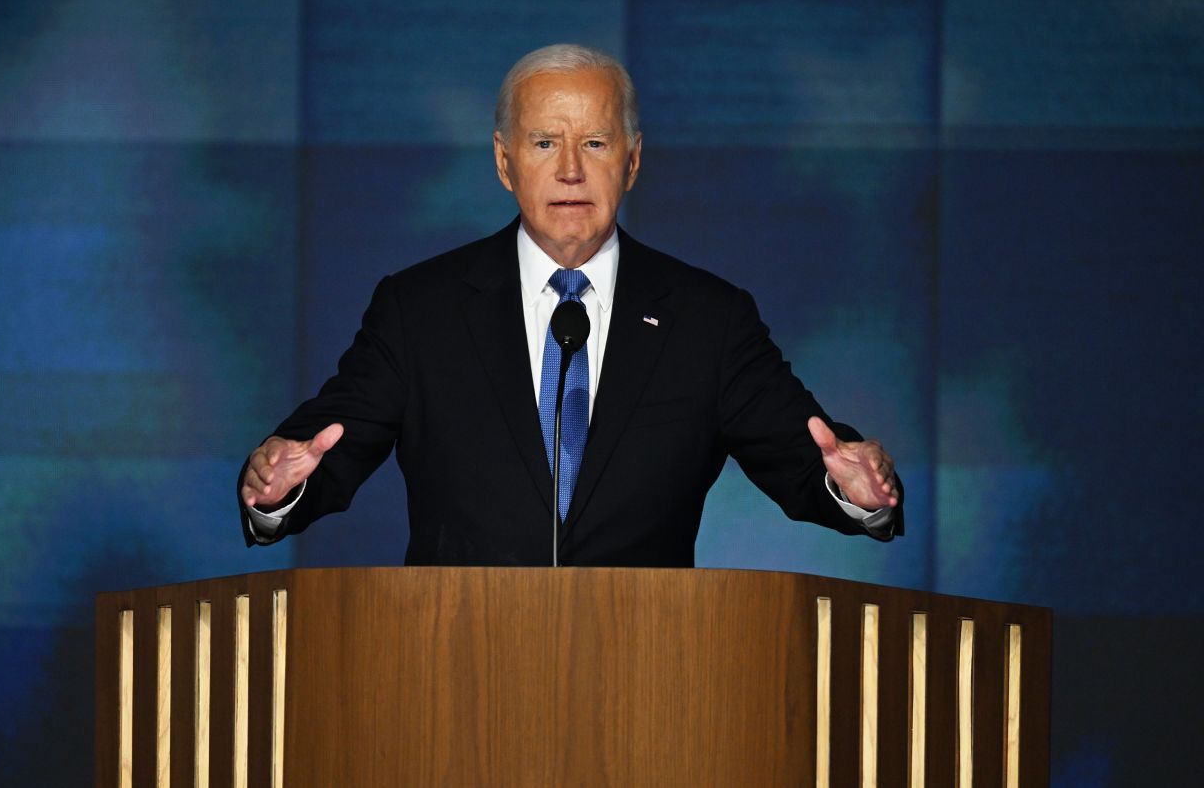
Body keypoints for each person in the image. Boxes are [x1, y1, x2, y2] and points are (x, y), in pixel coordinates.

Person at [238, 43, 902, 566]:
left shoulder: (709, 320)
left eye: (595, 142)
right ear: (504, 163)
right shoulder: (421, 310)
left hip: (650, 684)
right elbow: (325, 451)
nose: (570, 170)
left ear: (633, 161)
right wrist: (278, 488)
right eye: (544, 142)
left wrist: (855, 491)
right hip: (456, 681)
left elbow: (804, 458)